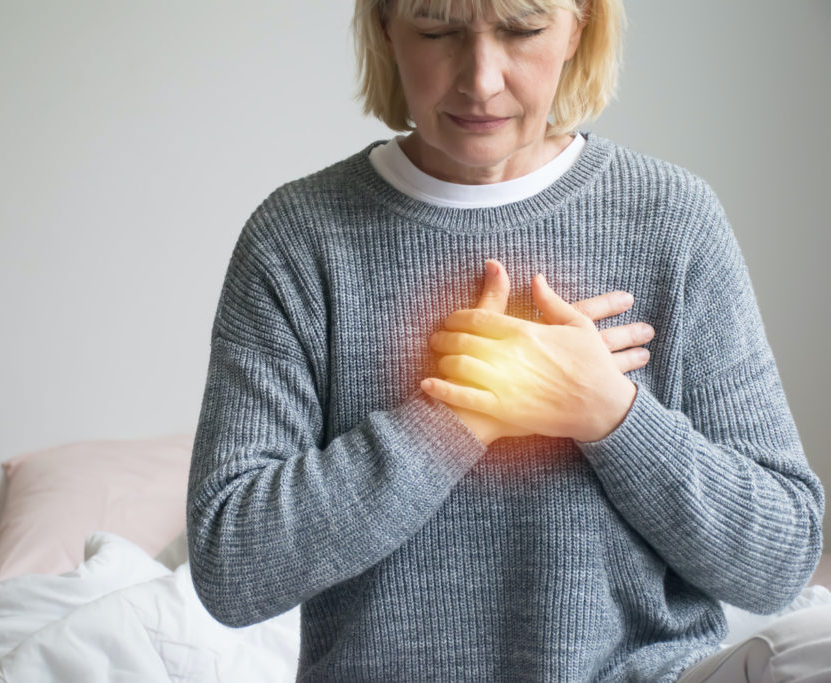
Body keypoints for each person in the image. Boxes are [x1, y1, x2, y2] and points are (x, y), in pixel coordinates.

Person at [186, 0, 826, 679]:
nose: (481, 80)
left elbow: (781, 560)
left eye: (522, 30)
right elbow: (231, 568)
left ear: (580, 26)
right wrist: (461, 413)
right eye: (438, 30)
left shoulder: (674, 219)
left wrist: (609, 411)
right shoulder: (297, 239)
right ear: (385, 27)